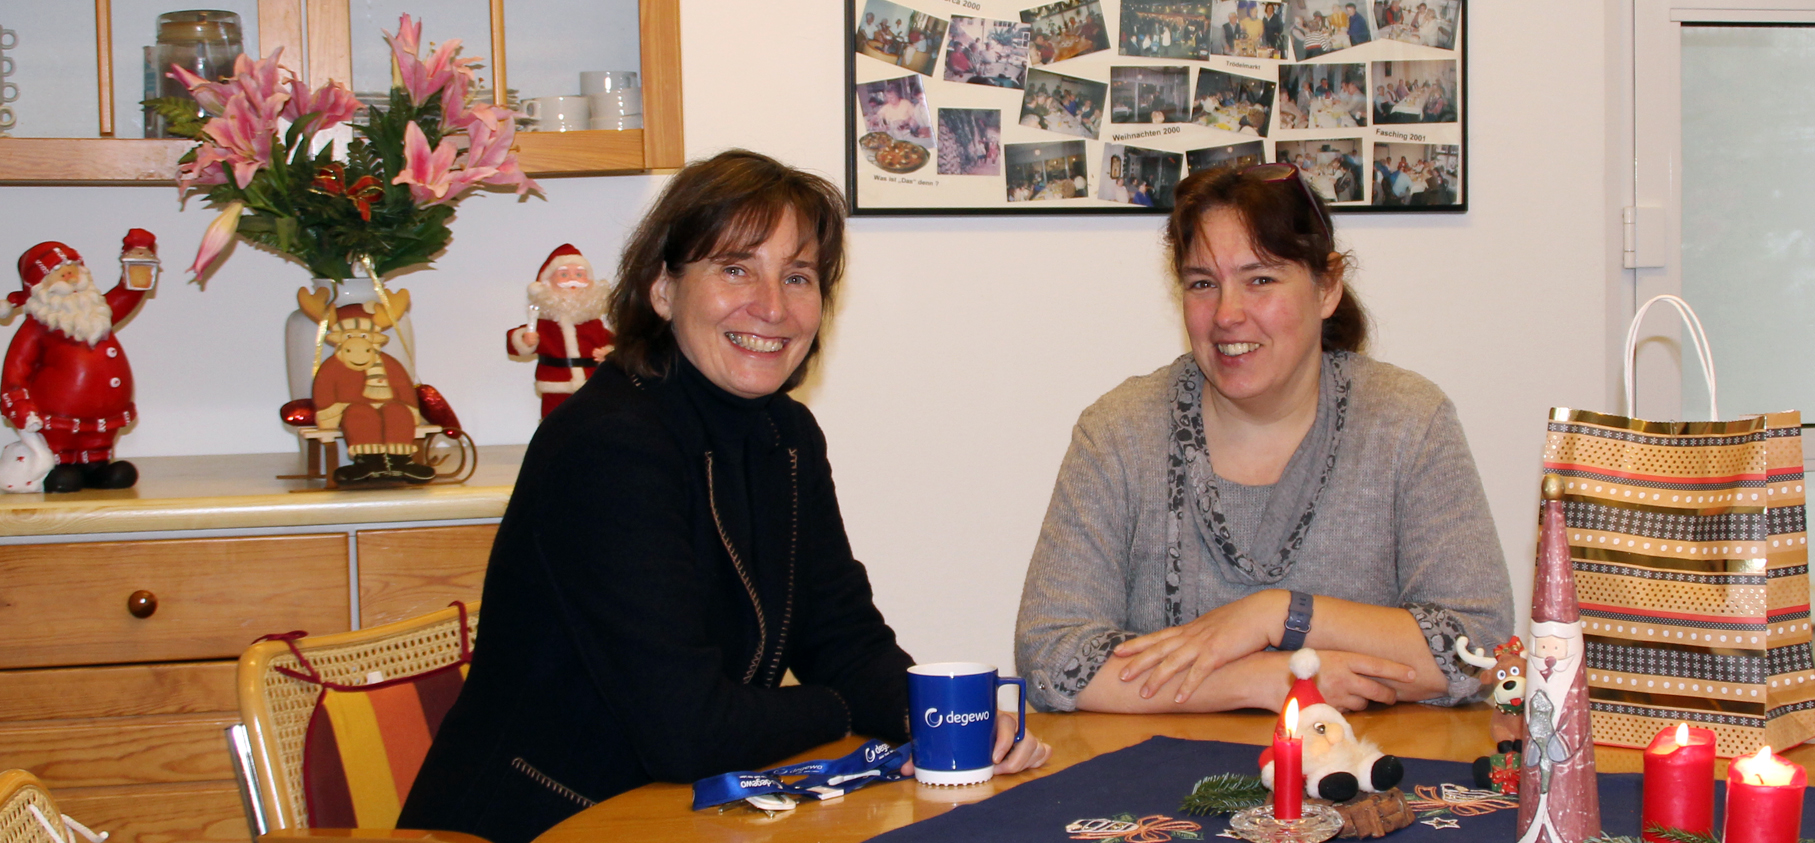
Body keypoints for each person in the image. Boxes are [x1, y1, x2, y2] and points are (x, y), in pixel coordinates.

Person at [400, 151, 1051, 843]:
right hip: (539, 820)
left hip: (674, 813)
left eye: (797, 276)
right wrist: (836, 708)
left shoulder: (785, 434)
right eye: (735, 267)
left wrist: (945, 717)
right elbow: (689, 731)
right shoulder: (608, 445)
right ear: (661, 289)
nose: (771, 306)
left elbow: (844, 639)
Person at [1014, 164, 1512, 716]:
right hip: (1156, 789)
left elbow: (1478, 650)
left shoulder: (1408, 422)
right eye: (1203, 283)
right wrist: (1264, 681)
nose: (1227, 315)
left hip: (1363, 782)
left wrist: (1279, 615)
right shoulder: (1118, 433)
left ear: (1327, 288)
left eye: (1260, 280)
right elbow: (1052, 656)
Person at [1, 232, 158, 493]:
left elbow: (127, 295)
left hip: (104, 413)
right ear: (41, 286)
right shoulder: (37, 328)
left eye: (73, 270)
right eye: (60, 274)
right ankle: (61, 467)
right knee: (61, 447)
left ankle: (97, 467)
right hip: (57, 415)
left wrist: (138, 256)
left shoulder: (97, 313)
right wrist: (21, 407)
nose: (70, 277)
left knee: (98, 441)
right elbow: (15, 371)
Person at [507, 245, 615, 418]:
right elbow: (517, 342)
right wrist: (524, 339)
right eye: (564, 275)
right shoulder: (544, 324)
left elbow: (618, 344)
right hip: (555, 384)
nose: (573, 280)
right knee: (554, 421)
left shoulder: (593, 323)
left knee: (593, 419)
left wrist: (609, 354)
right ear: (547, 283)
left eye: (579, 274)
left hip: (591, 382)